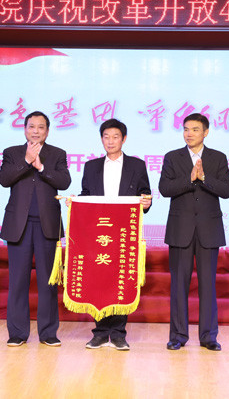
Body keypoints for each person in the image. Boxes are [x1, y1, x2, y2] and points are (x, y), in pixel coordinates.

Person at [159, 113, 229, 351]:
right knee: (178, 286)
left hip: (208, 231)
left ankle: (208, 336)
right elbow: (164, 188)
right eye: (186, 129)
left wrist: (204, 178)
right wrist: (190, 179)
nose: (189, 134)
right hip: (180, 230)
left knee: (207, 286)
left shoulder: (218, 157)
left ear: (206, 132)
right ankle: (178, 335)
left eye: (194, 129)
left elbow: (227, 190)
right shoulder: (173, 157)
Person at [0, 111, 71, 347]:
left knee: (48, 282)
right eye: (31, 126)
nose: (36, 131)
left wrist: (41, 167)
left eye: (41, 127)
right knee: (18, 281)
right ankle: (17, 333)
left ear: (47, 131)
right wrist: (27, 161)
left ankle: (48, 332)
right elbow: (4, 179)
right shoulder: (12, 153)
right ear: (25, 129)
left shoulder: (57, 154)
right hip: (18, 225)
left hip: (47, 225)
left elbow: (64, 182)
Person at [79, 118, 152, 351]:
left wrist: (147, 202)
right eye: (106, 137)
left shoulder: (137, 166)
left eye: (115, 137)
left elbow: (145, 194)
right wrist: (76, 204)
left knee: (121, 281)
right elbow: (85, 195)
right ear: (101, 139)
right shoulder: (91, 166)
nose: (110, 141)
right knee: (99, 280)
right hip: (98, 232)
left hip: (124, 233)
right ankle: (100, 333)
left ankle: (119, 334)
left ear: (124, 139)